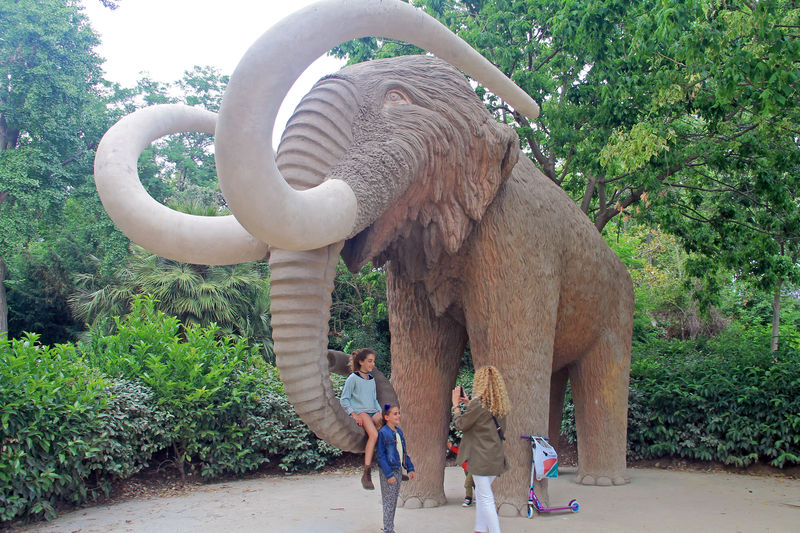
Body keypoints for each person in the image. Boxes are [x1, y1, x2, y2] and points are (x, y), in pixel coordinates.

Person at [451, 366, 510, 533]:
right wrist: (469, 403)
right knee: (484, 496)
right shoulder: (499, 405)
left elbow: (461, 424)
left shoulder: (479, 405)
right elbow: (488, 421)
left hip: (480, 458)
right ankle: (480, 529)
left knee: (486, 498)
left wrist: (456, 406)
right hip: (495, 457)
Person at [339, 347, 382, 490]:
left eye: (373, 361)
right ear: (361, 362)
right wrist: (354, 414)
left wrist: (380, 413)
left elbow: (374, 399)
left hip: (373, 411)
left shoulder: (371, 379)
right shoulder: (353, 378)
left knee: (389, 430)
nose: (372, 364)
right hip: (362, 413)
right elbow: (344, 399)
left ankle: (395, 466)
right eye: (369, 361)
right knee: (374, 435)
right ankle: (366, 473)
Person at [376, 403, 416, 533]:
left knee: (392, 500)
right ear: (386, 417)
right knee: (389, 500)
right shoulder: (383, 433)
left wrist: (410, 468)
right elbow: (381, 456)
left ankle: (389, 526)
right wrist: (389, 475)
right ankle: (388, 529)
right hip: (389, 472)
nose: (398, 415)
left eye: (398, 413)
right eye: (395, 414)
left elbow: (403, 452)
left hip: (398, 470)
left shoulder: (398, 432)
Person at [447, 439, 475, 507]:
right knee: (473, 482)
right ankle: (480, 496)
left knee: (467, 483)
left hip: (473, 467)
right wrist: (451, 447)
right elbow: (460, 452)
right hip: (466, 467)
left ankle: (468, 499)